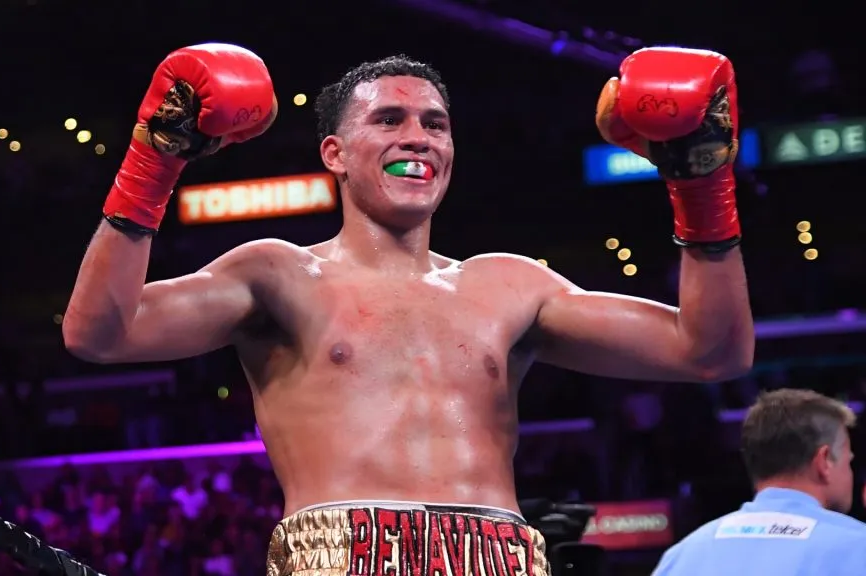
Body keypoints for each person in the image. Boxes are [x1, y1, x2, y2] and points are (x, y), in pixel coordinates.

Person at [63, 43, 755, 575]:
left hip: (500, 556)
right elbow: (100, 333)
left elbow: (711, 351)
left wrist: (702, 185)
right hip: (341, 553)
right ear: (333, 152)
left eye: (435, 124)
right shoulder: (277, 273)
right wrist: (154, 164)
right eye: (388, 119)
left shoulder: (510, 284)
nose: (417, 137)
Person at [652, 389, 866, 575]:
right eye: (849, 461)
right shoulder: (858, 548)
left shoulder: (682, 556)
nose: (850, 473)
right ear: (824, 461)